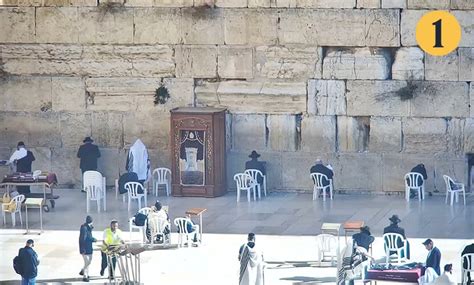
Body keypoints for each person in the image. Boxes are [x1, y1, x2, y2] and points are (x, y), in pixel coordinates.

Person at [79, 215, 97, 282]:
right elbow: (84, 238)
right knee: (87, 262)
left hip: (89, 247)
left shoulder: (88, 227)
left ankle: (83, 270)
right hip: (85, 248)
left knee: (89, 261)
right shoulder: (84, 228)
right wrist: (93, 239)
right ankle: (85, 276)